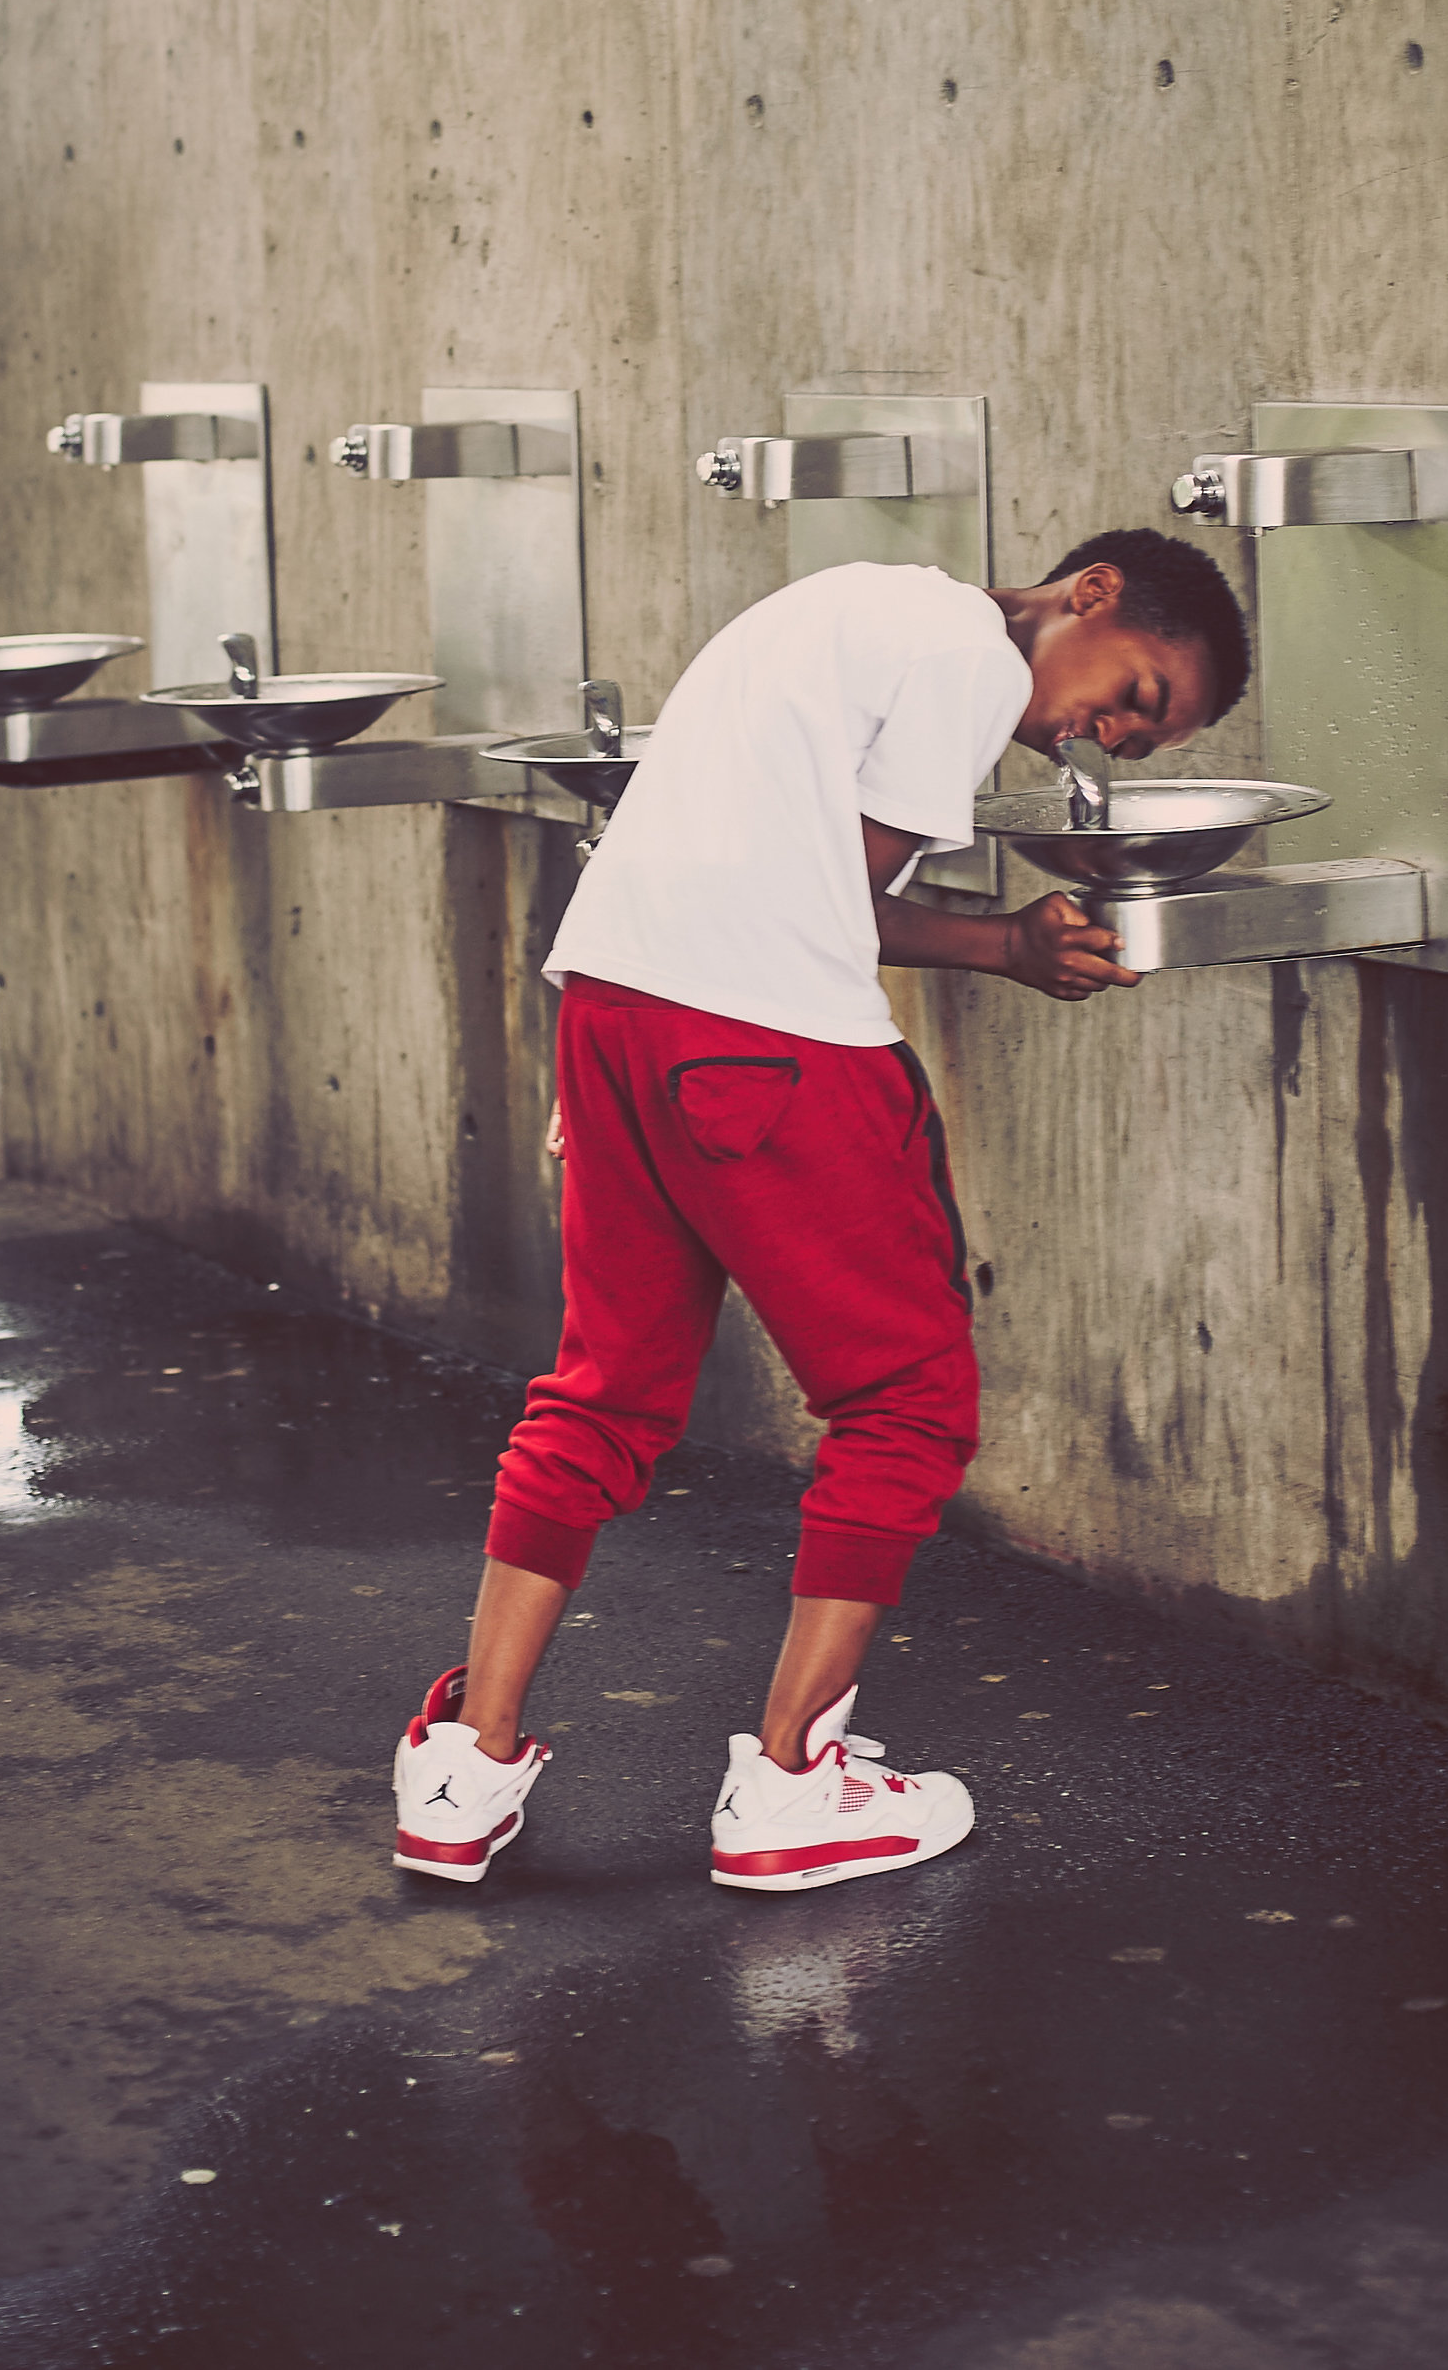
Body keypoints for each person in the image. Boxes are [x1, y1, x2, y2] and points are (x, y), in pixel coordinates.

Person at [392, 527, 1250, 1897]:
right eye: (1139, 692)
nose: (1108, 736)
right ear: (1090, 595)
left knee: (606, 1388)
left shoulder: (856, 609)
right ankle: (796, 1784)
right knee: (909, 1398)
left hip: (615, 1005)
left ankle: (461, 1762)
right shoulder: (973, 656)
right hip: (761, 1038)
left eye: (1140, 745)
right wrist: (1012, 944)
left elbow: (792, 874)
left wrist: (1013, 946)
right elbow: (830, 905)